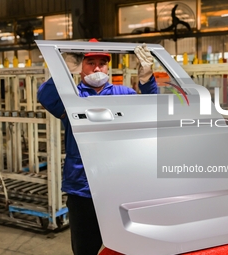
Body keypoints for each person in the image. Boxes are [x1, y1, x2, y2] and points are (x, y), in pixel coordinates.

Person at [37, 39, 157, 255]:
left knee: (126, 248)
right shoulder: (71, 97)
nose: (97, 68)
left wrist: (147, 79)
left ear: (108, 67)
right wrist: (63, 71)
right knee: (85, 249)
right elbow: (45, 97)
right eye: (91, 63)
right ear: (81, 67)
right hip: (83, 188)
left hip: (120, 186)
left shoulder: (125, 94)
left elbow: (153, 107)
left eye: (102, 63)